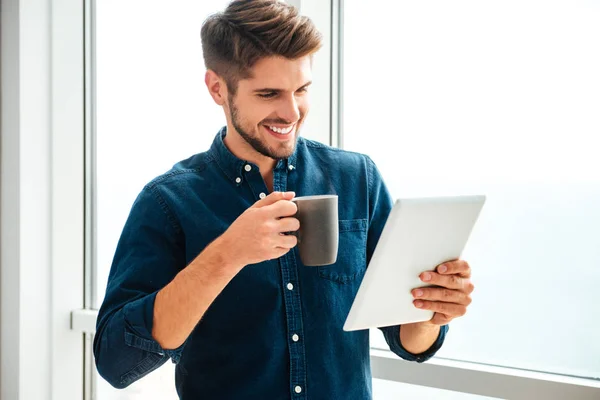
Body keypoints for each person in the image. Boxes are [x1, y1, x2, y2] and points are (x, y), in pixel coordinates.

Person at [94, 1, 475, 398]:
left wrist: (435, 309)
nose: (291, 111)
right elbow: (116, 362)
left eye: (302, 90)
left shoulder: (356, 179)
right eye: (269, 93)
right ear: (217, 88)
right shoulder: (169, 201)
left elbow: (409, 341)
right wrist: (227, 254)